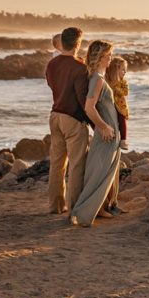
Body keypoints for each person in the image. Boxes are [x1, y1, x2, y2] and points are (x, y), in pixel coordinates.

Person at [70, 39, 123, 226]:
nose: (111, 59)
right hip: (106, 133)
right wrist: (103, 127)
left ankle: (99, 208)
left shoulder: (99, 76)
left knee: (104, 171)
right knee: (98, 172)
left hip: (110, 132)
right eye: (108, 55)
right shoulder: (97, 80)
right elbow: (89, 107)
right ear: (100, 57)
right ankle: (86, 211)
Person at [44, 27, 90, 215]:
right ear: (78, 44)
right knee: (77, 165)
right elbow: (82, 98)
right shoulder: (80, 67)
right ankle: (75, 208)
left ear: (62, 42)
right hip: (72, 119)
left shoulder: (52, 64)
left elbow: (50, 84)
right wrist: (94, 122)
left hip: (55, 116)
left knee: (57, 164)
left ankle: (55, 206)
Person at [106, 57, 130, 151]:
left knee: (122, 120)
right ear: (116, 70)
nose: (125, 72)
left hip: (120, 105)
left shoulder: (123, 82)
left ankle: (123, 140)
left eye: (125, 70)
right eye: (123, 69)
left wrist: (116, 87)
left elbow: (125, 92)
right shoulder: (107, 79)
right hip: (110, 104)